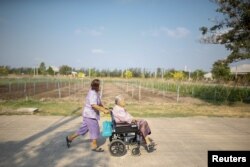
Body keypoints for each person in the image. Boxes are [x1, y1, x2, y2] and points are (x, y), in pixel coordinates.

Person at [66, 79, 109, 152]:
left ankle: (69, 138)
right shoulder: (92, 93)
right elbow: (94, 105)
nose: (100, 86)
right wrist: (103, 110)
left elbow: (98, 102)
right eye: (99, 85)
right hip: (90, 115)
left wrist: (104, 107)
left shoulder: (95, 92)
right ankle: (94, 146)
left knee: (83, 129)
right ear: (96, 86)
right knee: (95, 129)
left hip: (88, 114)